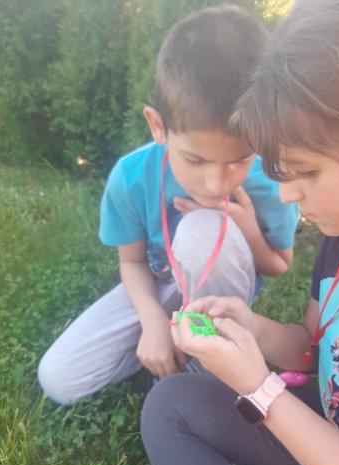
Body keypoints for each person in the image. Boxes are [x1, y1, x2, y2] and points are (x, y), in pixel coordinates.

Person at [141, 0, 339, 465]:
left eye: (305, 171)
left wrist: (262, 389)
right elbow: (314, 347)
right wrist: (254, 329)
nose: (284, 194)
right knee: (171, 406)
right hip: (320, 431)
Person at [37, 4, 298, 405]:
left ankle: (209, 366)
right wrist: (152, 321)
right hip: (160, 284)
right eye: (195, 159)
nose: (217, 183)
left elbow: (279, 263)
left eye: (239, 160)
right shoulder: (131, 177)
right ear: (158, 126)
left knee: (201, 231)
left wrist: (247, 228)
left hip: (220, 298)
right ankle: (168, 347)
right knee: (58, 377)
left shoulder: (268, 180)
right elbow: (132, 263)